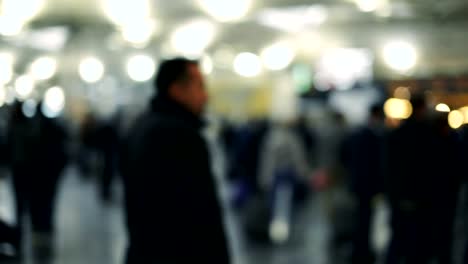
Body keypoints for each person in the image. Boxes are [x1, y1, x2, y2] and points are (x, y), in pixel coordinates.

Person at [120, 57, 231, 264]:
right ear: (177, 90)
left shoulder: (140, 127)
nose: (206, 95)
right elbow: (201, 216)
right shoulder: (181, 136)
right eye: (200, 86)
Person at [6, 101, 69, 259]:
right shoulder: (32, 128)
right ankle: (38, 230)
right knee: (38, 204)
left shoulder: (18, 128)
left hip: (23, 172)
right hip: (32, 173)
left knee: (23, 206)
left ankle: (26, 233)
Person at [341, 103, 386, 264]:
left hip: (359, 185)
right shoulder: (372, 136)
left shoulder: (358, 134)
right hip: (367, 187)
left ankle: (360, 250)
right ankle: (361, 251)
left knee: (362, 220)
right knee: (364, 220)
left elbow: (345, 157)